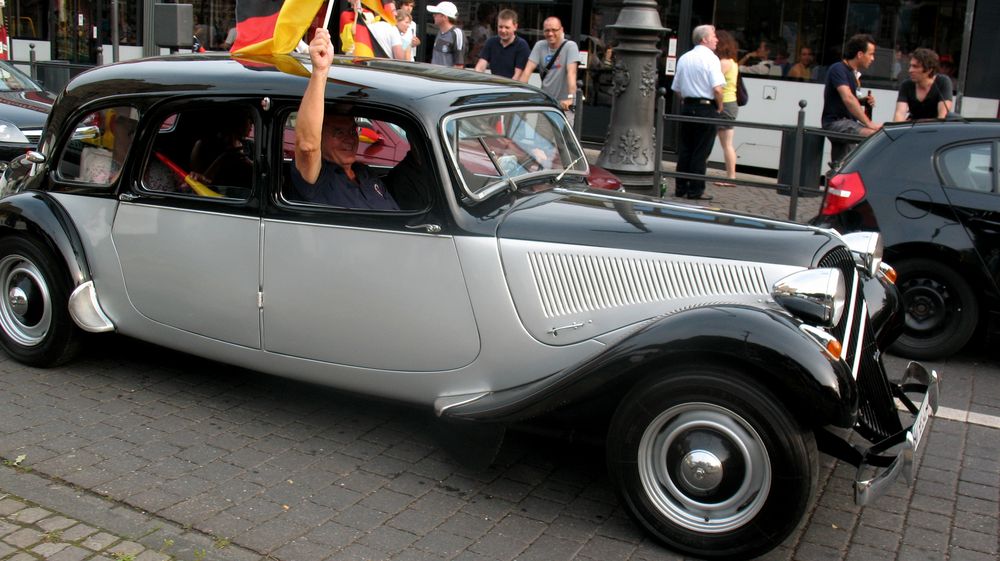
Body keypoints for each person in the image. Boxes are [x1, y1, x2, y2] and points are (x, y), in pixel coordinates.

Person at [292, 28, 399, 210]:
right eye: (338, 132)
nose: (349, 139)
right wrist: (320, 71)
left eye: (352, 130)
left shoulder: (365, 173)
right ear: (320, 135)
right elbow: (307, 146)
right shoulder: (317, 178)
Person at [670, 24, 724, 201]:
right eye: (714, 35)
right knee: (701, 151)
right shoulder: (711, 59)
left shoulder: (685, 58)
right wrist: (720, 105)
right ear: (704, 39)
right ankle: (695, 190)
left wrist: (686, 99)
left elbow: (676, 88)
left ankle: (680, 187)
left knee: (686, 149)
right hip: (705, 107)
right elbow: (717, 88)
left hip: (687, 107)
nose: (716, 39)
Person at [520, 17, 579, 123]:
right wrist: (519, 94)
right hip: (546, 103)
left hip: (564, 104)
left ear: (561, 30)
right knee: (542, 137)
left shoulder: (570, 46)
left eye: (554, 30)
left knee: (564, 138)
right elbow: (527, 71)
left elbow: (572, 73)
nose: (550, 33)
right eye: (547, 30)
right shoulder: (540, 46)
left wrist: (571, 99)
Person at [821, 33, 881, 138]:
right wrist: (869, 123)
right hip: (837, 122)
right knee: (874, 136)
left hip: (847, 123)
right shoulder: (838, 69)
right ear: (860, 55)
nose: (873, 59)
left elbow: (850, 98)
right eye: (871, 54)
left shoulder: (853, 74)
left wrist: (863, 101)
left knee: (845, 154)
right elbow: (848, 98)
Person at [893, 47, 953, 121]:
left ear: (929, 70)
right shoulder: (906, 85)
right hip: (912, 129)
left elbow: (942, 117)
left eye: (915, 67)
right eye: (910, 66)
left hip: (935, 130)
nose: (910, 70)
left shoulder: (943, 82)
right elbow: (899, 114)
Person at [473, 9, 530, 80]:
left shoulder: (521, 46)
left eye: (507, 27)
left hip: (514, 87)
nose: (503, 30)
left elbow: (517, 76)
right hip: (496, 86)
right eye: (500, 27)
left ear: (515, 27)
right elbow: (480, 67)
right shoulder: (491, 42)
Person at [715, 30, 739, 187]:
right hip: (732, 103)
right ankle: (731, 176)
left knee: (726, 144)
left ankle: (731, 177)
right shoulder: (733, 62)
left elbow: (716, 83)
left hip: (725, 104)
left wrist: (719, 106)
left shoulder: (723, 63)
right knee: (728, 143)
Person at [427, 1, 464, 68]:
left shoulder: (457, 33)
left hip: (446, 77)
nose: (433, 15)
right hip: (434, 75)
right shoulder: (440, 32)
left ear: (444, 17)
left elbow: (459, 65)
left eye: (436, 13)